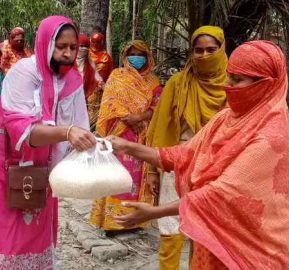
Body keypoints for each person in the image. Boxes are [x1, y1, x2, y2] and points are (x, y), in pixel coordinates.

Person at [107, 40, 289, 269]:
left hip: (247, 249)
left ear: (266, 84)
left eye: (237, 80)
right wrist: (127, 147)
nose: (228, 85)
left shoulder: (271, 136)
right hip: (212, 236)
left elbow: (221, 194)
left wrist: (155, 211)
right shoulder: (228, 118)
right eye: (229, 76)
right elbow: (184, 154)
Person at [0, 16, 97, 269]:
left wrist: (92, 145)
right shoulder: (24, 72)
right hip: (5, 159)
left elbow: (78, 125)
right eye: (61, 46)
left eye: (72, 48)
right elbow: (23, 130)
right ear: (45, 43)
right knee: (0, 229)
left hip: (43, 164)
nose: (67, 54)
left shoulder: (73, 79)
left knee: (32, 231)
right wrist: (67, 133)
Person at [144, 26, 228, 269]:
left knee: (206, 229)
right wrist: (152, 170)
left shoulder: (233, 85)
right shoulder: (177, 83)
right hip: (176, 162)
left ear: (222, 50)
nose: (204, 55)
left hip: (217, 165)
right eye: (198, 50)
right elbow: (160, 129)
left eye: (211, 50)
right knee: (170, 225)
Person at [89, 40, 162, 232]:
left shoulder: (153, 82)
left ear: (147, 57)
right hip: (119, 133)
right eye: (133, 54)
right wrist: (129, 119)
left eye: (141, 54)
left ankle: (134, 221)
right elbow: (109, 101)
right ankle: (111, 222)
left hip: (142, 135)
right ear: (125, 57)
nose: (136, 58)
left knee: (136, 178)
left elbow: (157, 106)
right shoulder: (116, 75)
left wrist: (140, 117)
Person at [0, 27, 33, 119]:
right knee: (1, 97)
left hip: (20, 79)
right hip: (5, 76)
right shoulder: (4, 46)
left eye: (21, 40)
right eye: (17, 40)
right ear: (11, 39)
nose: (19, 42)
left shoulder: (27, 50)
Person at [76, 33, 104, 130]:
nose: (83, 49)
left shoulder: (90, 62)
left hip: (86, 99)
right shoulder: (67, 62)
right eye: (81, 46)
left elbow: (97, 78)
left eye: (86, 46)